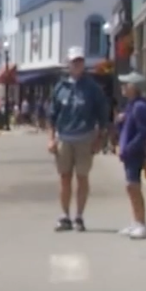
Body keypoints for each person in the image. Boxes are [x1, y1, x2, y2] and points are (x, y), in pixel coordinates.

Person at [47, 47, 109, 231]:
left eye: (80, 61)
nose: (77, 65)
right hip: (65, 138)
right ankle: (65, 215)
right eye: (74, 61)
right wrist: (51, 139)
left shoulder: (92, 88)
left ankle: (79, 216)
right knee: (64, 178)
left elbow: (102, 115)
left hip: (84, 138)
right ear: (68, 64)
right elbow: (52, 115)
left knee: (82, 178)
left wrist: (99, 139)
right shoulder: (60, 87)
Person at [116, 71, 146, 239]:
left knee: (134, 187)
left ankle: (141, 223)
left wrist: (129, 148)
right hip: (129, 153)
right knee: (130, 187)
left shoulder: (139, 107)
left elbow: (144, 132)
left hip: (135, 153)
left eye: (127, 84)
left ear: (135, 88)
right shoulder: (131, 106)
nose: (123, 87)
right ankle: (136, 221)